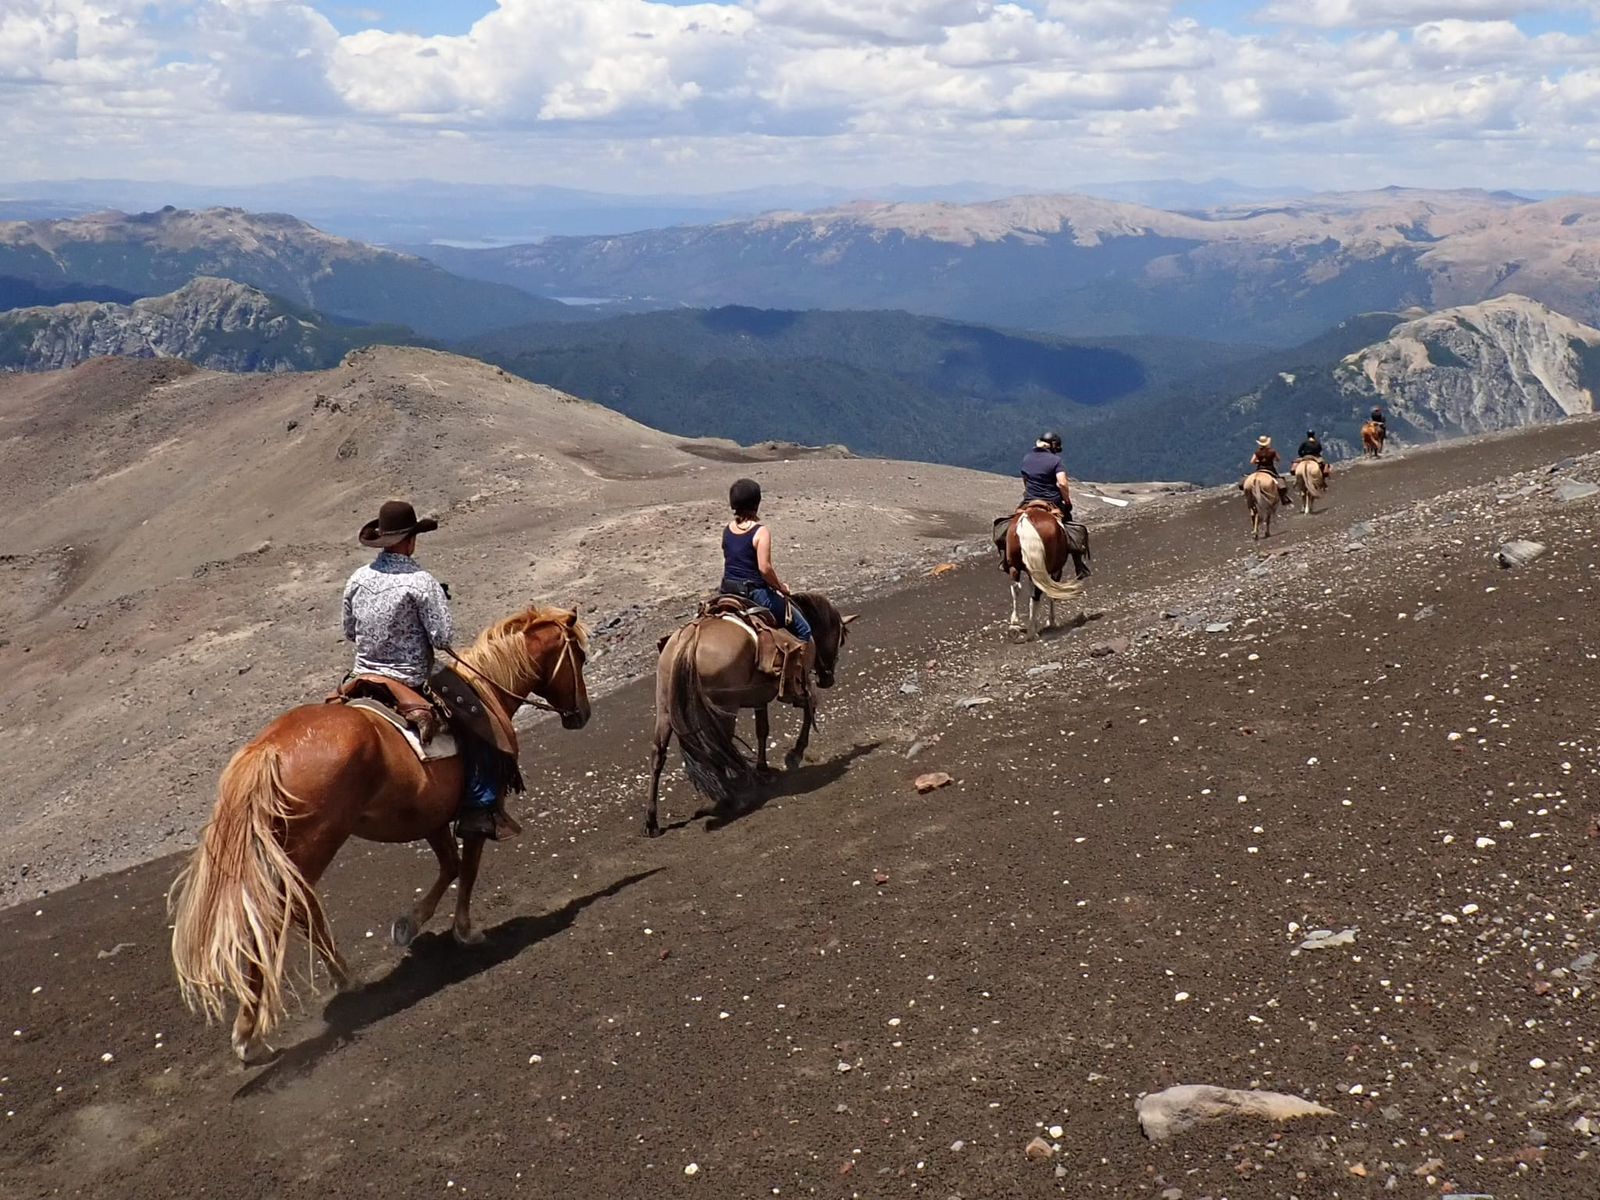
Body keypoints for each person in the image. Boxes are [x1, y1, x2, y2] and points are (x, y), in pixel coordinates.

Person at [342, 499, 502, 840]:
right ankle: (479, 806)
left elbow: (349, 631)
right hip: (410, 678)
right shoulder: (421, 582)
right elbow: (442, 638)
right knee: (480, 723)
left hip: (362, 677)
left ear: (383, 539)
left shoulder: (357, 578)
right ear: (411, 540)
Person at [720, 478, 812, 642]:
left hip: (727, 590)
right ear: (756, 503)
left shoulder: (728, 529)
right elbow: (764, 569)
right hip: (754, 593)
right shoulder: (760, 532)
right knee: (803, 629)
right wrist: (781, 587)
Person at [1020, 431, 1073, 519]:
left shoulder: (1027, 458)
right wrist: (1067, 501)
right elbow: (1062, 483)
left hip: (1030, 499)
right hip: (1052, 501)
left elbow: (1026, 480)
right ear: (1053, 446)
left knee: (1013, 520)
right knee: (1069, 524)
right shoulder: (1056, 460)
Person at [1246, 435, 1291, 507]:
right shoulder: (1272, 451)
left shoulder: (1257, 452)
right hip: (1270, 469)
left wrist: (1258, 461)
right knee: (1281, 483)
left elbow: (1252, 461)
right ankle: (1283, 498)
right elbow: (1278, 459)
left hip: (1260, 469)